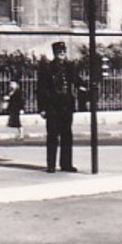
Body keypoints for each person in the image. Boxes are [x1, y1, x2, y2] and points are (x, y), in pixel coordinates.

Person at [36, 42, 85, 173]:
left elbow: (77, 81)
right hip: (53, 106)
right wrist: (42, 108)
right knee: (52, 136)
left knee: (67, 135)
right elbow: (41, 89)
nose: (62, 53)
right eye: (59, 51)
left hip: (67, 105)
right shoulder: (47, 68)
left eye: (63, 51)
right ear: (54, 53)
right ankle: (51, 164)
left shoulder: (70, 67)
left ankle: (66, 164)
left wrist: (86, 85)